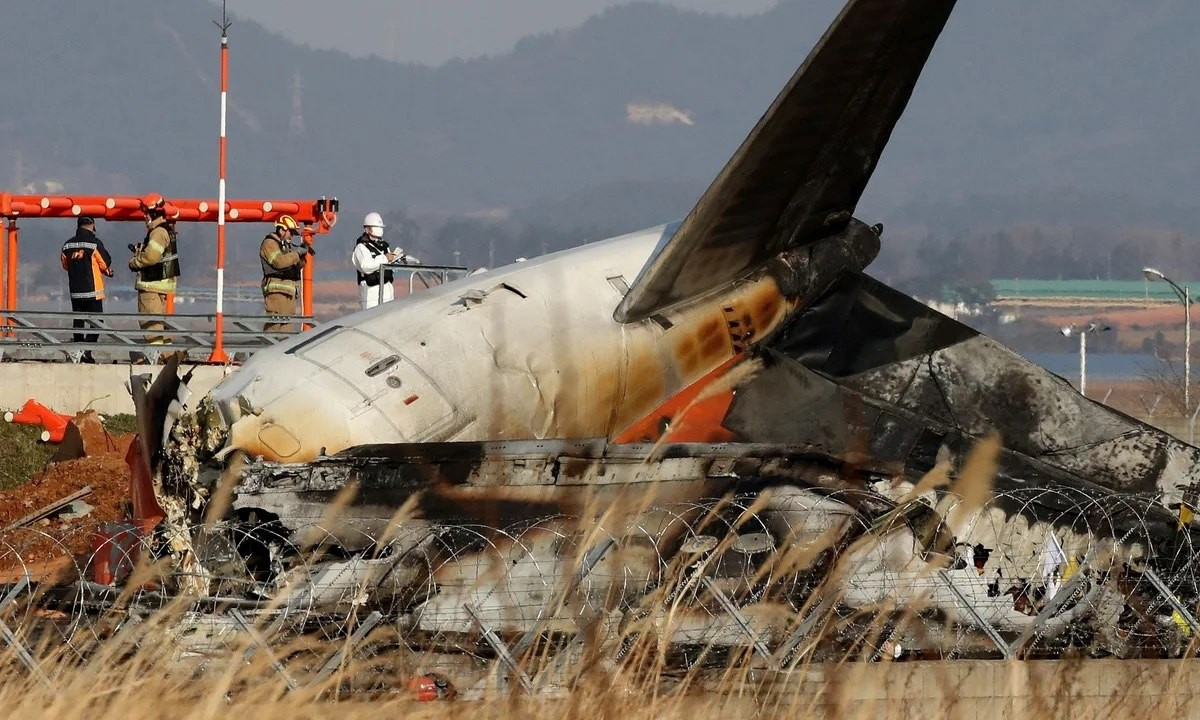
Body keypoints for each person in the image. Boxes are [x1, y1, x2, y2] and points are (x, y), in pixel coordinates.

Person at [127, 193, 179, 347]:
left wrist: (135, 262)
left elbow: (151, 257)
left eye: (146, 214)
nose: (145, 218)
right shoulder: (166, 230)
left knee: (151, 325)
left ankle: (155, 357)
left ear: (151, 213)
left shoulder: (157, 232)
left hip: (151, 284)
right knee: (161, 326)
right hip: (161, 285)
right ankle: (167, 357)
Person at [60, 216, 113, 363]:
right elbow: (105, 262)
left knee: (78, 322)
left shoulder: (67, 245)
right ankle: (86, 351)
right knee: (97, 322)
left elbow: (65, 265)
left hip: (76, 291)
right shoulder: (94, 244)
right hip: (93, 291)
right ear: (92, 226)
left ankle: (77, 351)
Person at [259, 215, 311, 333]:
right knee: (274, 327)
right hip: (277, 293)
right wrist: (297, 253)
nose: (291, 236)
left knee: (286, 329)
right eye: (290, 232)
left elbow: (296, 265)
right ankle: (268, 350)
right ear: (282, 230)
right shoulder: (269, 244)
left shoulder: (286, 246)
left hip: (288, 294)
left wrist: (301, 256)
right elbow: (279, 262)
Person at [352, 211, 413, 309]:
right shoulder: (361, 247)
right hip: (372, 295)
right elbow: (366, 266)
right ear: (367, 229)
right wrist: (385, 258)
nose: (379, 230)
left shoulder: (383, 246)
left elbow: (387, 262)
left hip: (387, 291)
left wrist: (394, 260)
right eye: (376, 227)